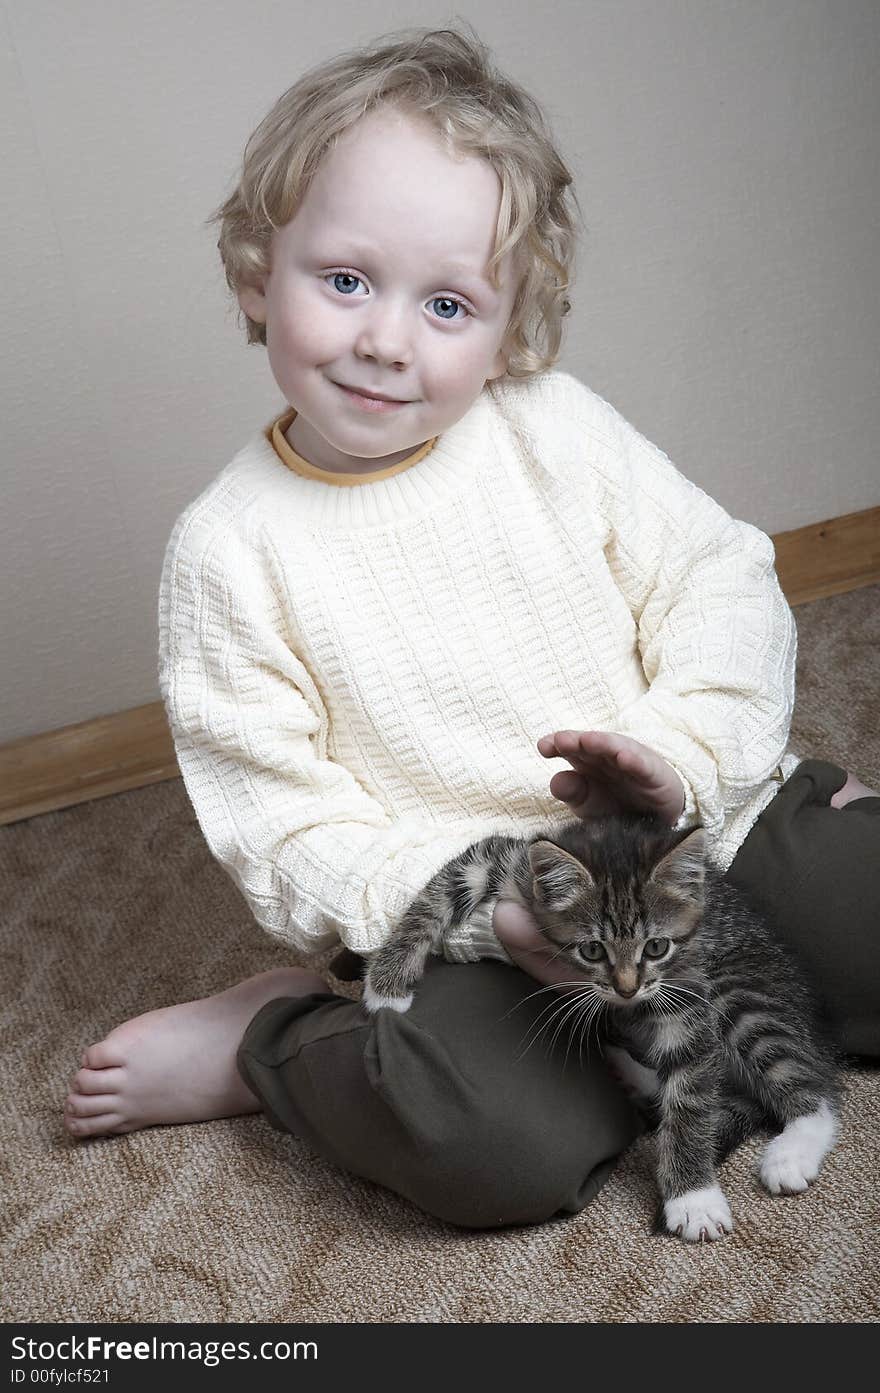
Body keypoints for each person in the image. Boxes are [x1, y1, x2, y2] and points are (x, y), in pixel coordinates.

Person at [64, 25, 878, 1229]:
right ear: (254, 270)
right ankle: (274, 1037)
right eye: (344, 279)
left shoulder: (554, 427)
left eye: (447, 303)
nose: (387, 338)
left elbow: (717, 577)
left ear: (509, 327)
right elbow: (286, 822)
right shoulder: (228, 550)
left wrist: (691, 758)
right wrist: (483, 919)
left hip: (684, 842)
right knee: (481, 1142)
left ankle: (805, 826)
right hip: (470, 930)